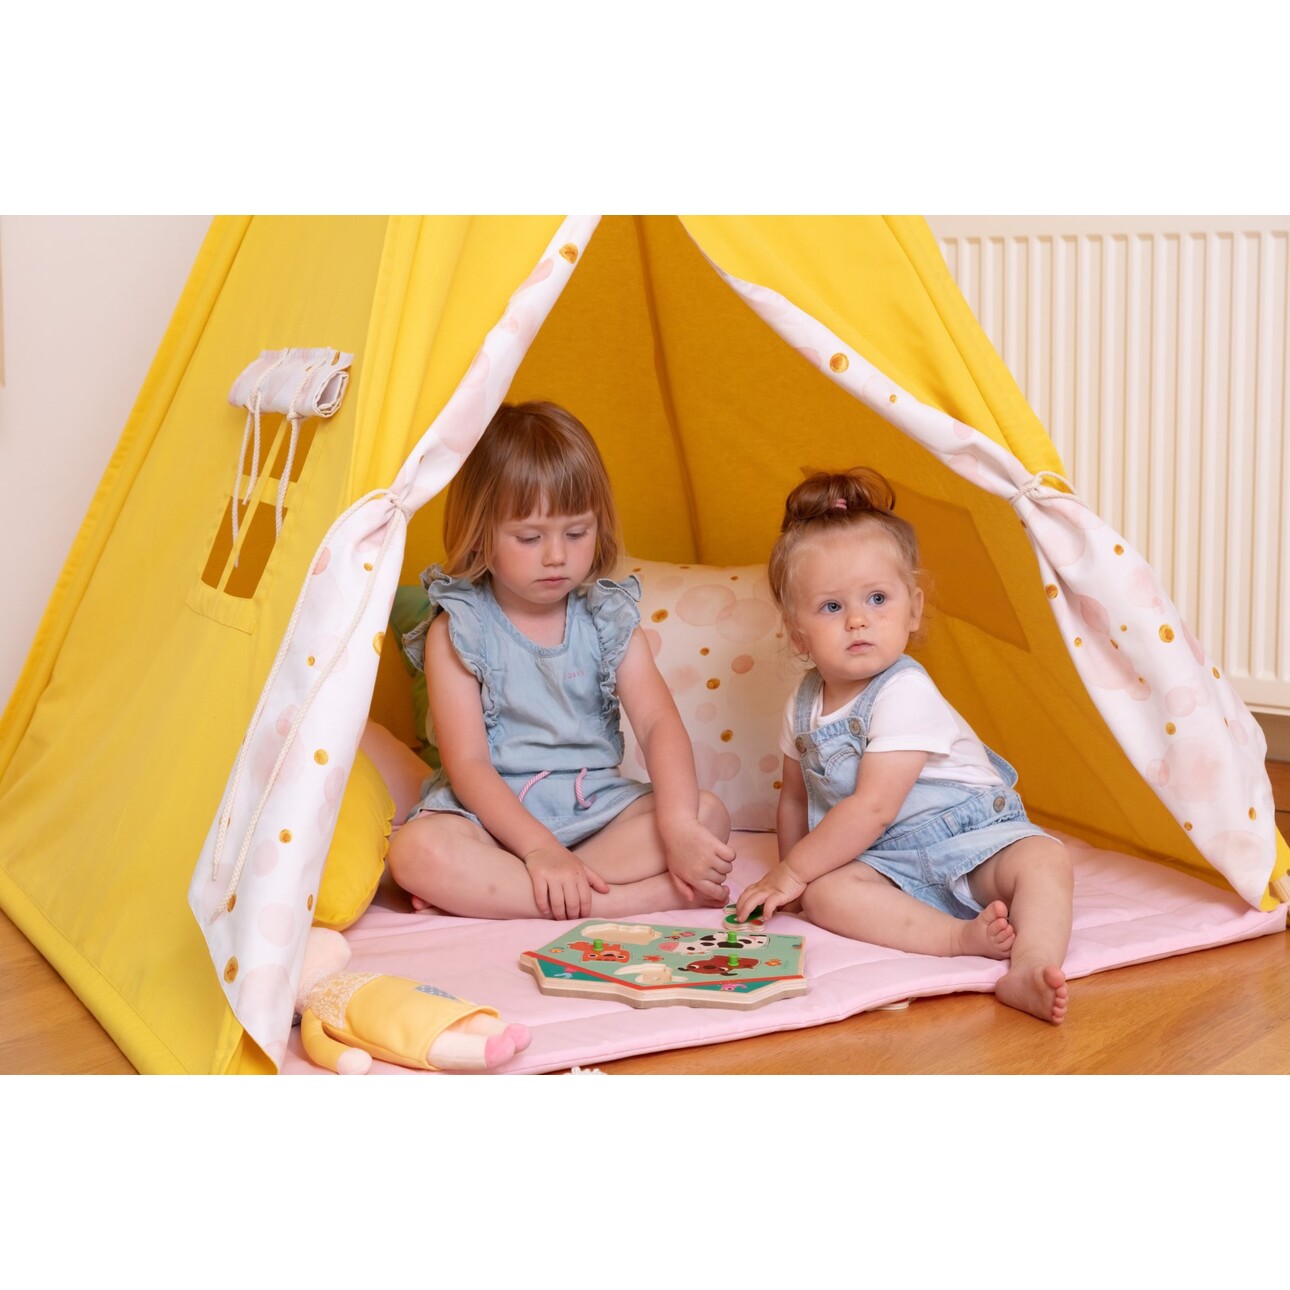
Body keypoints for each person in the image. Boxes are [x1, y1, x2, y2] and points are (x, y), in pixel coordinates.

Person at [734, 467, 1073, 1023]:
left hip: (973, 840)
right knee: (826, 896)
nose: (858, 620)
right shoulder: (802, 704)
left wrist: (793, 870)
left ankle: (1031, 965)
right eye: (831, 607)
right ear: (798, 634)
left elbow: (874, 807)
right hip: (882, 861)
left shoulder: (905, 690)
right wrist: (794, 882)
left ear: (912, 609)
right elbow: (793, 799)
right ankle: (956, 938)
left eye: (877, 598)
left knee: (1044, 859)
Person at [382, 400, 734, 922]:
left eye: (576, 533)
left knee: (707, 814)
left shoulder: (607, 618)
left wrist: (679, 825)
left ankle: (522, 890)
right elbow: (468, 764)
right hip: (494, 822)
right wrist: (538, 849)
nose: (556, 556)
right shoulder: (458, 628)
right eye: (529, 537)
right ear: (480, 532)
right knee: (415, 853)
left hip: (595, 811)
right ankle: (625, 900)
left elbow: (658, 724)